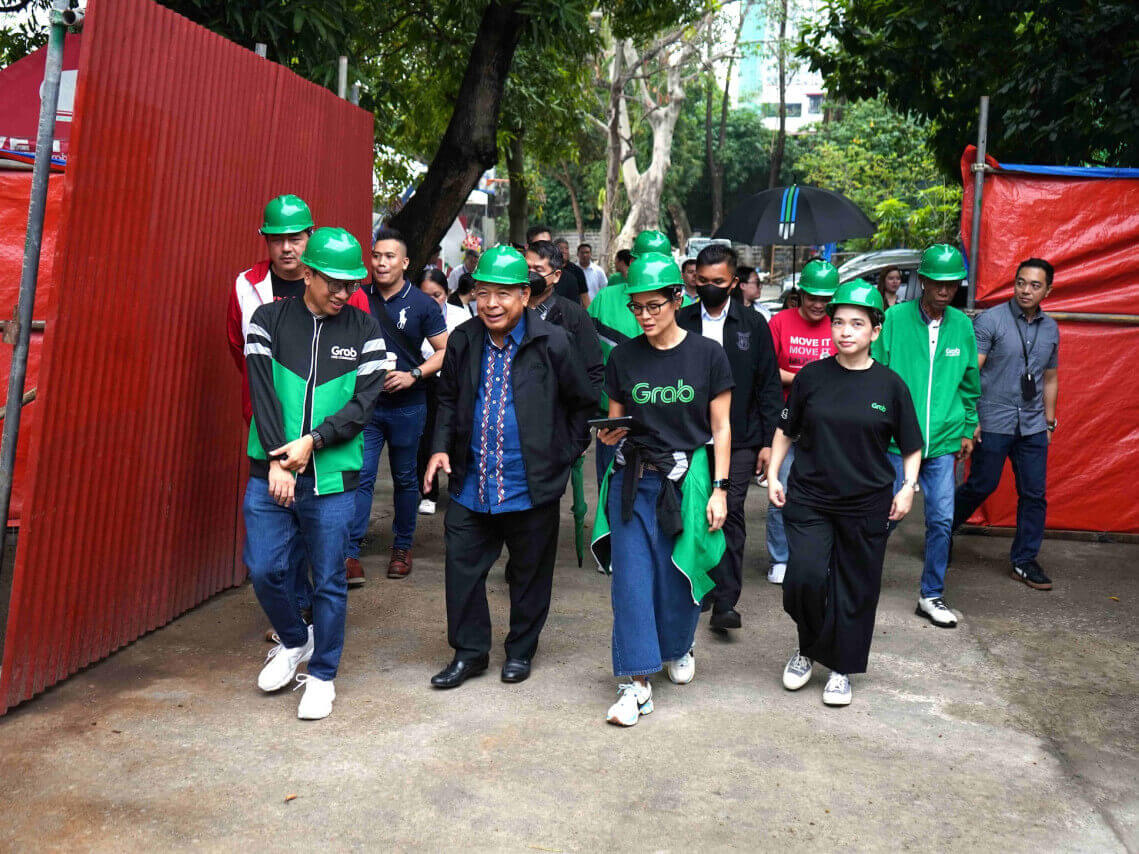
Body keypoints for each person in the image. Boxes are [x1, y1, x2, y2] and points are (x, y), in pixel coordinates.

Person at [424, 246, 596, 688]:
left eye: (503, 294)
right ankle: (470, 653)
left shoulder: (553, 342)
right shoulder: (464, 340)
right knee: (462, 571)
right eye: (483, 293)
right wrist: (441, 447)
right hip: (471, 482)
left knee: (530, 575)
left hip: (531, 484)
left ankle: (520, 651)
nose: (491, 304)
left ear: (524, 295)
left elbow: (581, 402)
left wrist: (567, 452)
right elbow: (446, 399)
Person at [243, 227, 392, 720]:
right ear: (307, 273)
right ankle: (293, 641)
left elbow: (364, 404)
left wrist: (313, 442)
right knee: (265, 569)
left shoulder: (365, 331)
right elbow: (261, 395)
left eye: (351, 284)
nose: (343, 293)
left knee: (329, 579)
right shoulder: (267, 320)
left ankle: (323, 674)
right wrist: (277, 459)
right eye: (333, 282)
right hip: (271, 473)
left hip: (332, 479)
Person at [591, 251, 733, 727]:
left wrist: (721, 488)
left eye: (655, 305)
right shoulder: (624, 358)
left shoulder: (707, 355)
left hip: (687, 483)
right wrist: (609, 436)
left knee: (677, 575)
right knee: (631, 583)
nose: (645, 316)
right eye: (637, 307)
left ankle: (678, 644)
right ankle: (635, 685)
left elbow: (722, 427)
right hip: (632, 481)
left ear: (678, 298)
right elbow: (615, 423)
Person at [768, 281, 922, 707]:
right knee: (805, 578)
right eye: (838, 323)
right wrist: (777, 473)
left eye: (857, 323)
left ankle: (841, 667)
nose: (845, 331)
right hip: (811, 498)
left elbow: (911, 445)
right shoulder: (811, 377)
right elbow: (786, 430)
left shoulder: (890, 386)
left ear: (876, 330)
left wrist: (908, 487)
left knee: (856, 587)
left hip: (867, 502)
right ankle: (809, 647)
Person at [226, 195, 370, 640]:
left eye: (296, 237)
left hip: (326, 440)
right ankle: (295, 618)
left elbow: (357, 369)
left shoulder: (349, 292)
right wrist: (274, 432)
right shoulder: (248, 287)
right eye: (277, 239)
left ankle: (307, 620)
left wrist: (318, 434)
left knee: (318, 532)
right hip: (270, 429)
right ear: (266, 241)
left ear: (310, 241)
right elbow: (240, 351)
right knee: (272, 542)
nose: (287, 247)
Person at [872, 247, 980, 627]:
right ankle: (857, 575)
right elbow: (876, 375)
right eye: (937, 281)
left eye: (951, 284)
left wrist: (968, 426)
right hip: (896, 442)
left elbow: (969, 383)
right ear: (924, 280)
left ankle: (931, 594)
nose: (944, 290)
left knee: (941, 519)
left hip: (944, 441)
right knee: (884, 515)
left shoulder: (962, 326)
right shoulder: (895, 320)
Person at [677, 245, 782, 633]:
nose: (709, 288)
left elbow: (769, 385)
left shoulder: (752, 325)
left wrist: (768, 442)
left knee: (729, 512)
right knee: (692, 510)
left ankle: (725, 599)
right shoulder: (681, 320)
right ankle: (697, 585)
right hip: (689, 435)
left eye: (717, 282)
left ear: (734, 282)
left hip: (740, 438)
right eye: (701, 282)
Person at [344, 227, 448, 584]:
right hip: (366, 406)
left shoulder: (422, 304)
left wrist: (414, 375)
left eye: (389, 257)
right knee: (362, 477)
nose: (381, 262)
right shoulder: (356, 297)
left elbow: (445, 350)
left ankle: (402, 548)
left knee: (406, 479)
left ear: (404, 263)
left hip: (408, 406)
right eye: (376, 256)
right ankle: (349, 554)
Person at [954, 258, 1060, 591]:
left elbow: (1051, 377)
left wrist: (1049, 421)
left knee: (1034, 494)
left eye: (1034, 285)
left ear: (1047, 289)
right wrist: (970, 419)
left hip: (1031, 426)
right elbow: (971, 373)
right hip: (993, 419)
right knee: (981, 485)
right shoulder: (991, 321)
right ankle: (941, 531)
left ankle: (1024, 561)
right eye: (1020, 282)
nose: (1025, 290)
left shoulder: (1051, 328)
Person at [764, 259, 838, 584]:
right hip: (787, 423)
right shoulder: (780, 322)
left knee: (826, 497)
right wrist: (804, 378)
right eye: (813, 297)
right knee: (781, 490)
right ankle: (780, 557)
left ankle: (816, 555)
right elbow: (766, 369)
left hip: (828, 428)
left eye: (825, 298)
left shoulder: (838, 324)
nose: (819, 304)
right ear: (801, 293)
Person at [586, 229, 668, 488]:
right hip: (614, 419)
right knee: (612, 493)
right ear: (631, 263)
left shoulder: (682, 305)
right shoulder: (605, 299)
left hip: (665, 422)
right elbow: (586, 355)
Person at [416, 269, 471, 516]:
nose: (431, 301)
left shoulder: (460, 315)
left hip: (455, 383)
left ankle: (459, 488)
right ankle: (428, 493)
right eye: (425, 295)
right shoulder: (413, 315)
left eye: (436, 295)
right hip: (424, 384)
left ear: (447, 293)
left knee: (459, 436)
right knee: (424, 439)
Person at [524, 241, 604, 392]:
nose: (530, 274)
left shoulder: (575, 315)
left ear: (556, 275)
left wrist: (581, 412)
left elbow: (593, 370)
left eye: (538, 269)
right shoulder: (513, 311)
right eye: (527, 268)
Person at [526, 225, 588, 307]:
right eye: (539, 245)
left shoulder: (569, 279)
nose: (545, 249)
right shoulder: (517, 277)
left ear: (556, 275)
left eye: (548, 244)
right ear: (527, 247)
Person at [556, 237, 591, 307]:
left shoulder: (577, 271)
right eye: (561, 248)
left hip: (573, 312)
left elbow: (585, 297)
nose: (564, 251)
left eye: (566, 248)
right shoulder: (550, 270)